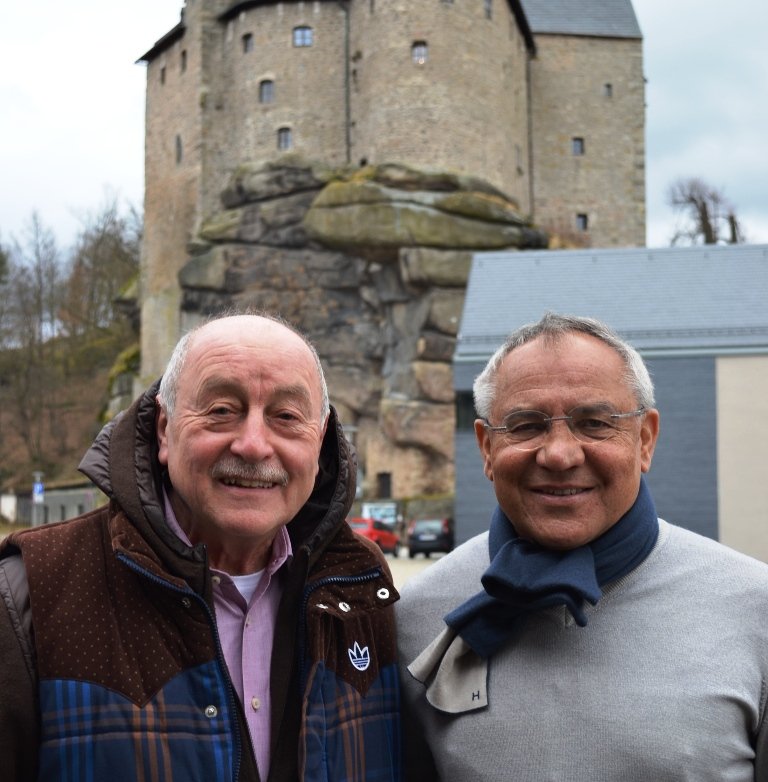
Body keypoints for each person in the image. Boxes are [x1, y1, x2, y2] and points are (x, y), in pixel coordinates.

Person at [0, 312, 402, 782]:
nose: (253, 445)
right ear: (164, 430)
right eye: (220, 411)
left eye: (287, 416)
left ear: (321, 440)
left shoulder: (361, 583)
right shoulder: (32, 593)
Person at [396, 312, 768, 781]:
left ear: (645, 440)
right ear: (486, 448)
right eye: (526, 425)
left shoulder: (756, 609)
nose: (559, 454)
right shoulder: (416, 616)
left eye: (593, 423)